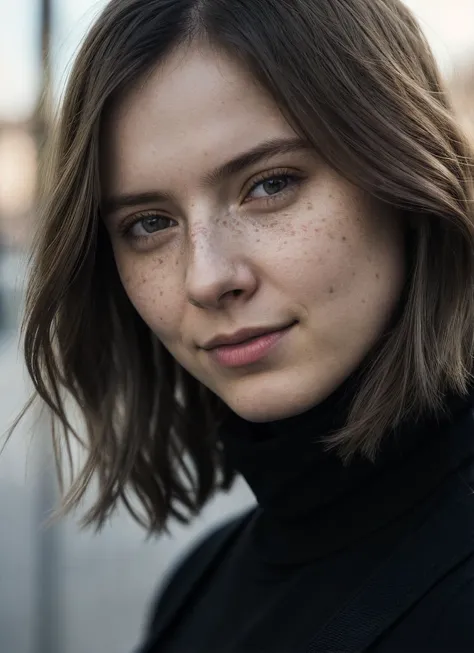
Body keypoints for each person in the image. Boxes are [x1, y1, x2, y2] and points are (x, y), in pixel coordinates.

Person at [16, 0, 474, 651]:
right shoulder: (196, 589)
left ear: (402, 169)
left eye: (270, 184)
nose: (205, 277)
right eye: (149, 223)